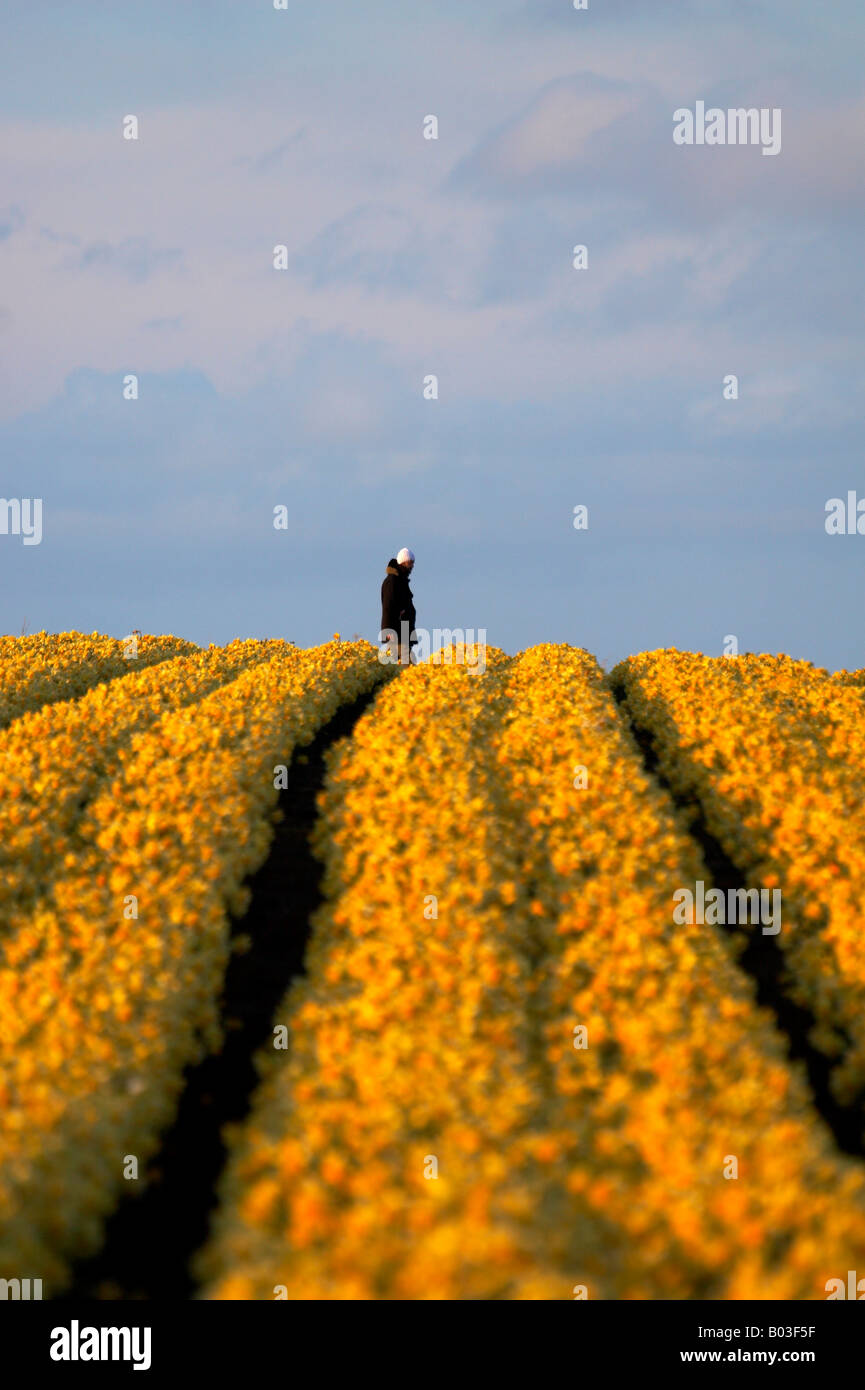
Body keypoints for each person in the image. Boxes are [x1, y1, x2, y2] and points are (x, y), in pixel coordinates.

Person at [380, 547, 416, 665]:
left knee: (395, 666)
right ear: (403, 562)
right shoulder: (393, 582)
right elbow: (388, 607)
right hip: (397, 634)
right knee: (408, 669)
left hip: (403, 633)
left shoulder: (400, 581)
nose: (412, 566)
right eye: (410, 563)